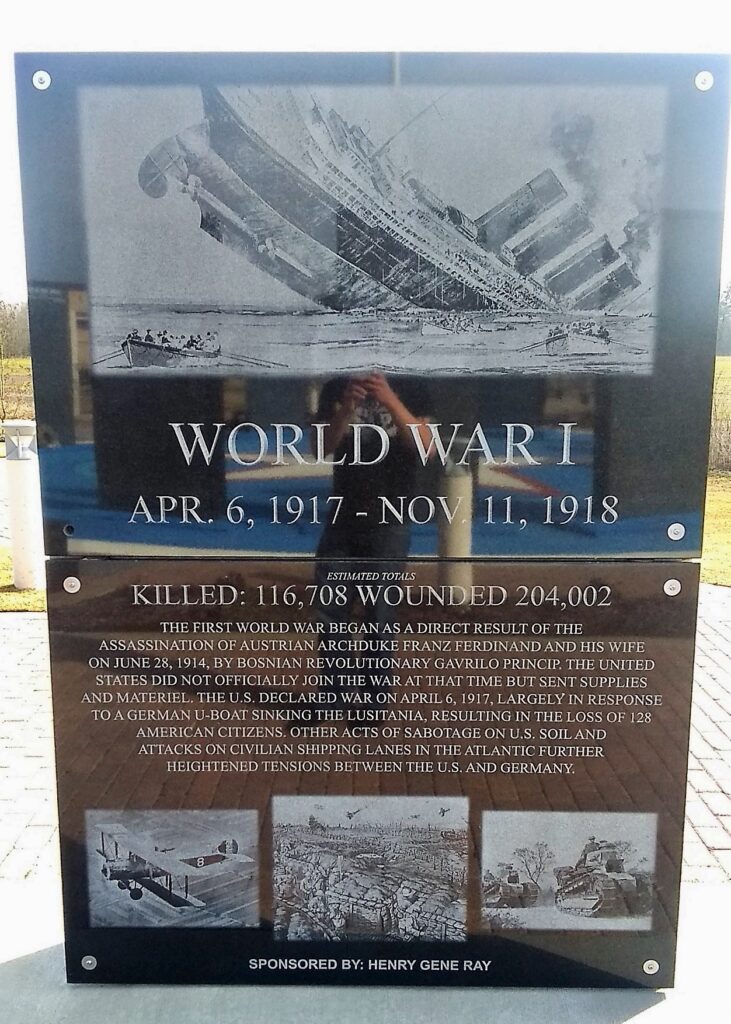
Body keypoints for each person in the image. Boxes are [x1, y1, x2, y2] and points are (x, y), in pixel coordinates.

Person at [311, 372, 434, 704]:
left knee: (379, 613)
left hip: (390, 518)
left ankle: (372, 698)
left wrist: (391, 400)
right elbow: (319, 448)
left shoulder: (414, 384)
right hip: (342, 516)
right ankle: (334, 695)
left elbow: (427, 448)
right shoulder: (337, 387)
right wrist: (346, 408)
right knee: (330, 609)